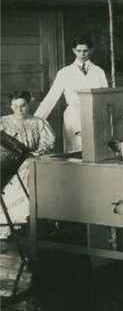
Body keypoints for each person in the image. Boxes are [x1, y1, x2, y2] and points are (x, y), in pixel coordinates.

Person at [34, 35, 108, 152]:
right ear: (74, 50)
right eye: (79, 51)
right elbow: (51, 98)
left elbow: (105, 97)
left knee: (96, 151)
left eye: (85, 51)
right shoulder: (65, 73)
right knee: (76, 152)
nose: (82, 54)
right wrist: (35, 121)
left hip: (96, 116)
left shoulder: (99, 71)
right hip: (74, 117)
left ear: (91, 50)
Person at [1, 91, 55, 239]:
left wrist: (37, 153)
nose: (19, 110)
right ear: (11, 106)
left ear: (28, 105)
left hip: (33, 160)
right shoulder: (3, 122)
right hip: (10, 163)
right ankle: (11, 224)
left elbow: (47, 143)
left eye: (23, 105)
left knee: (32, 172)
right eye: (15, 106)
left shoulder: (38, 122)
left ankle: (31, 220)